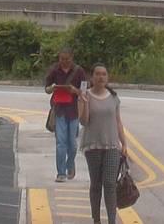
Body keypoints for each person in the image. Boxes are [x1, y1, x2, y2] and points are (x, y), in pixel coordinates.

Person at [78, 65, 128, 224]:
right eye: (97, 74)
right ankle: (96, 219)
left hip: (112, 146)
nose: (100, 77)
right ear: (92, 78)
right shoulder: (85, 95)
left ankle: (112, 220)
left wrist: (124, 143)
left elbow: (118, 122)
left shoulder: (113, 97)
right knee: (96, 184)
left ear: (107, 77)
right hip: (93, 145)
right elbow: (83, 121)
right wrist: (85, 103)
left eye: (104, 74)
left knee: (109, 183)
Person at [44, 48, 88, 182]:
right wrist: (53, 88)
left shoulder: (79, 71)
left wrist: (74, 90)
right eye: (61, 59)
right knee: (60, 143)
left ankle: (70, 164)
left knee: (72, 144)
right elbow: (46, 89)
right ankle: (61, 173)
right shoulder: (54, 70)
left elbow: (84, 91)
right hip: (59, 110)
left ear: (72, 58)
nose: (64, 62)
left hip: (74, 111)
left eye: (67, 59)